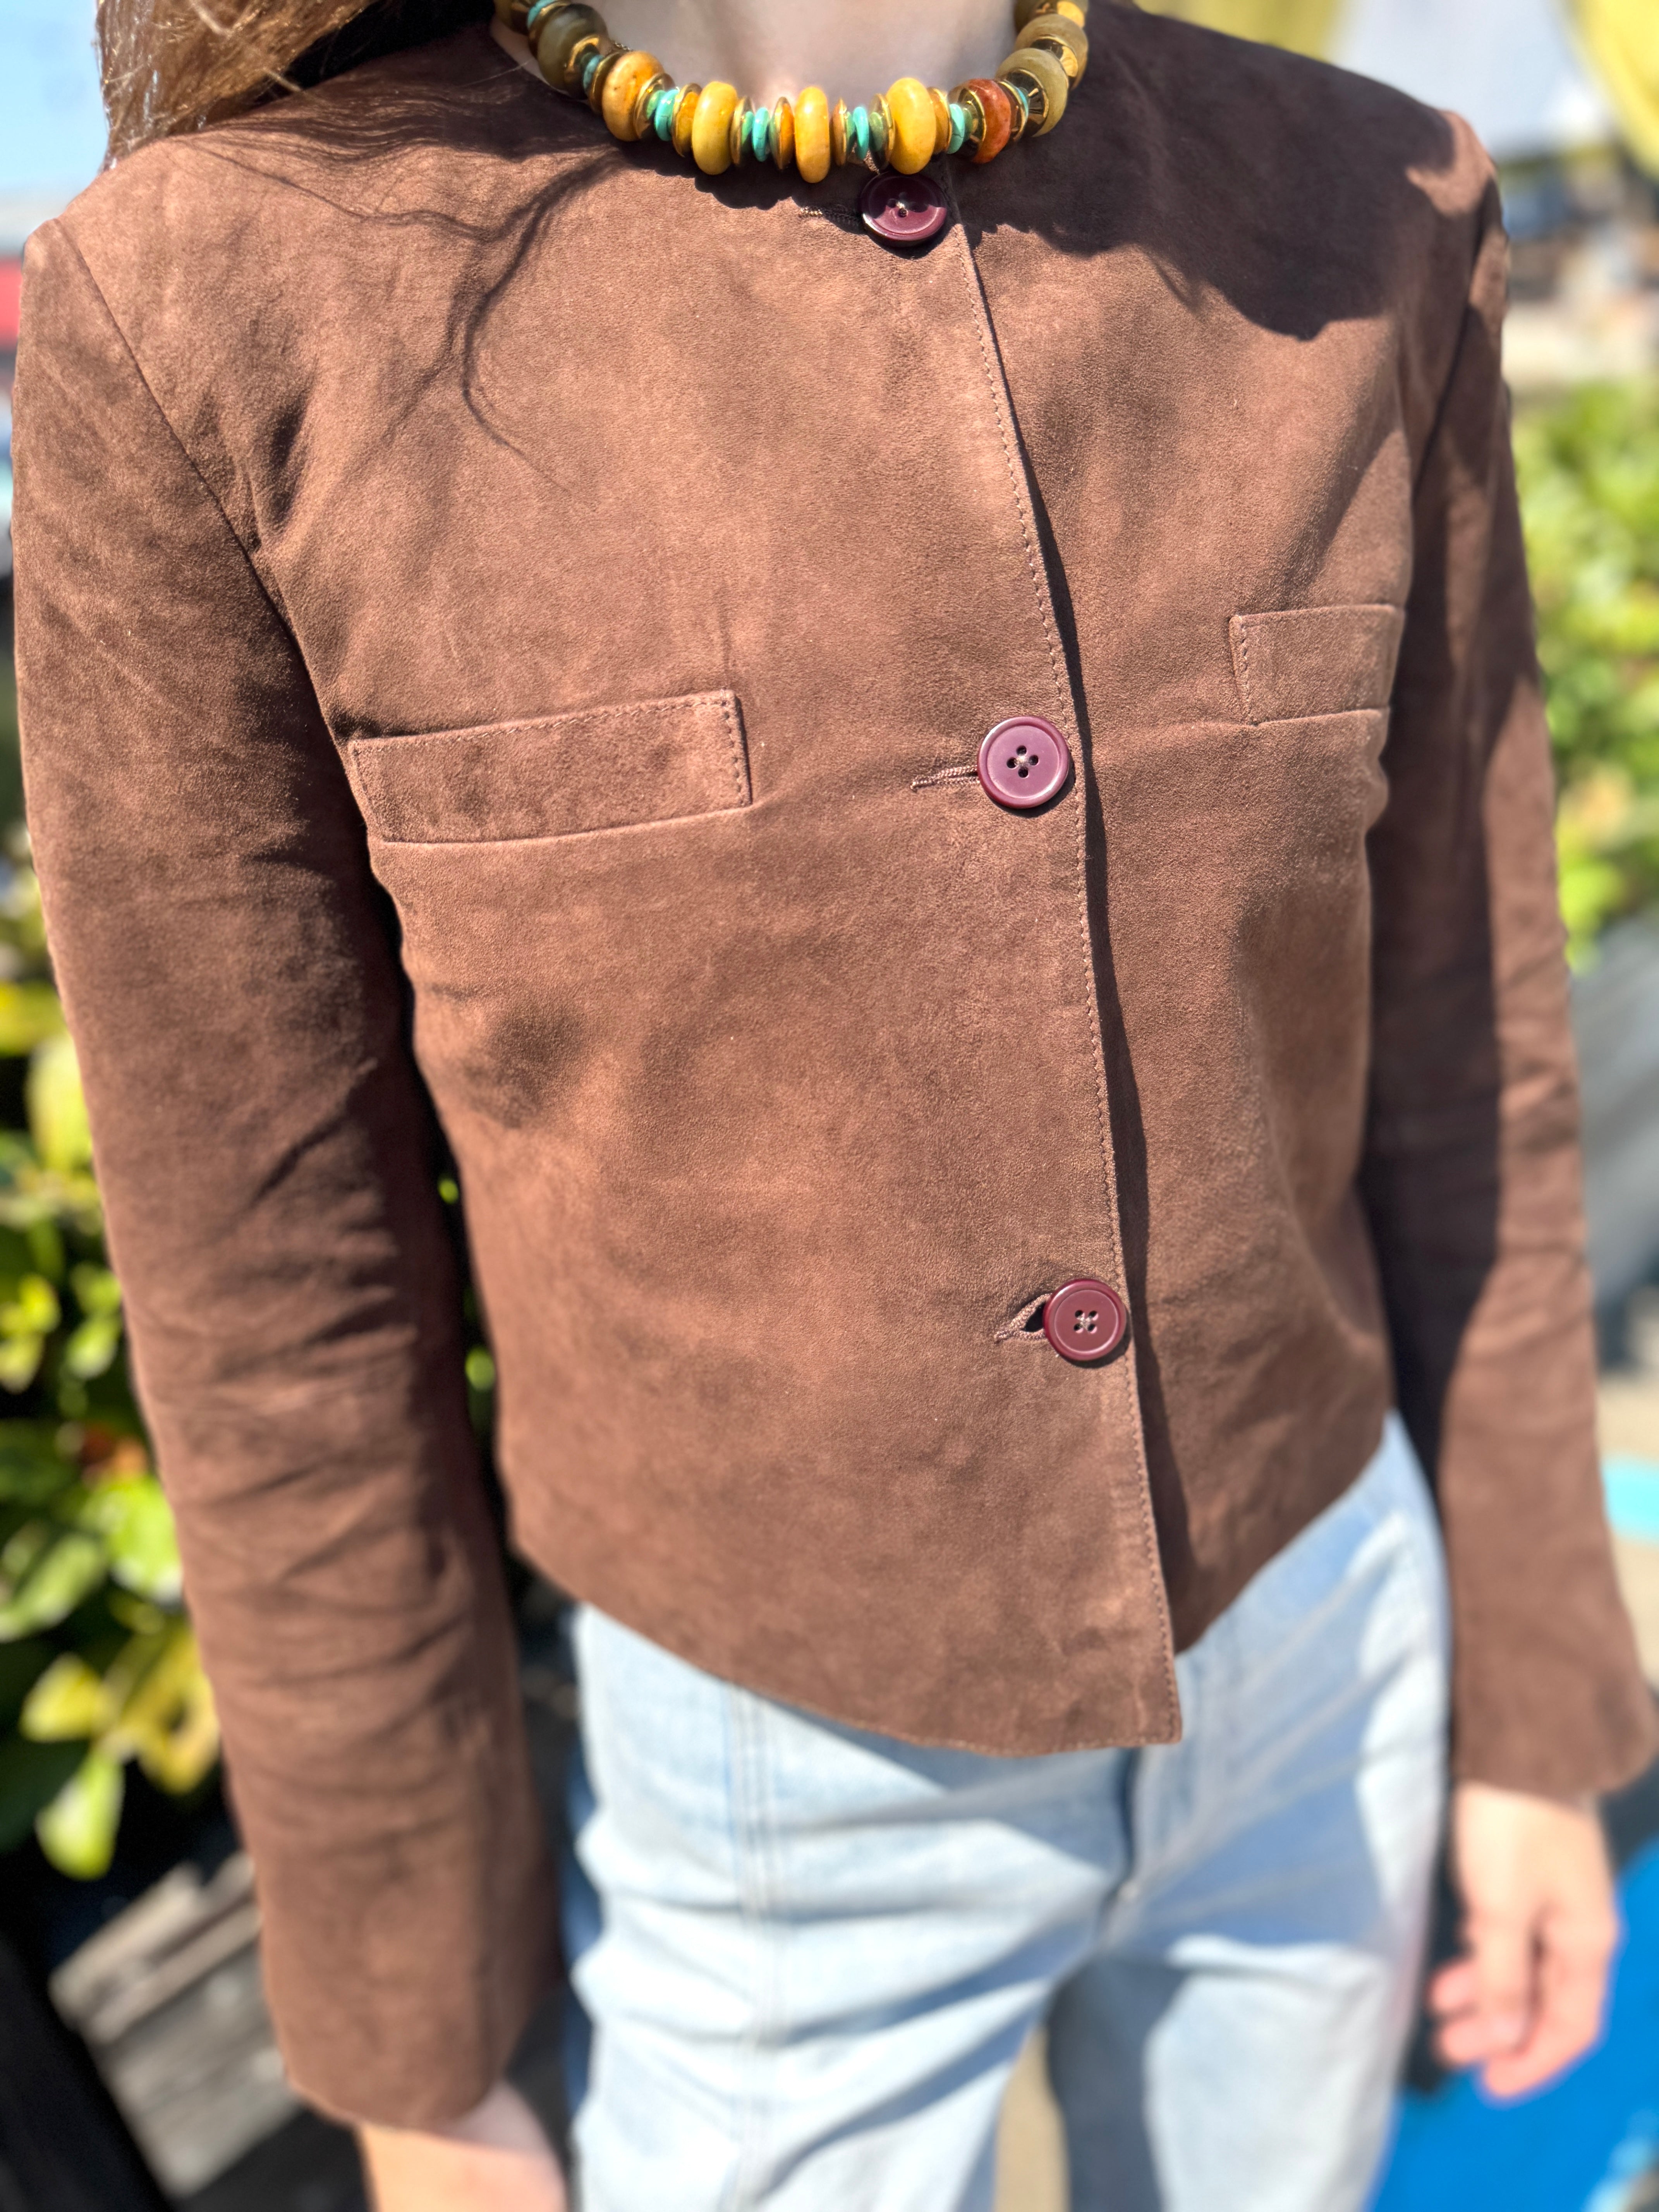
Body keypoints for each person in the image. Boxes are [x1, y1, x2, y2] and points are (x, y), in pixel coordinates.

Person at [12, 0, 1656, 2205]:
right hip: (772, 1804)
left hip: (1326, 1655)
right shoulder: (219, 306)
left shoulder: (1369, 202)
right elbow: (273, 1303)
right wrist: (426, 2057)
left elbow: (1471, 1041)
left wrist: (1534, 1709)